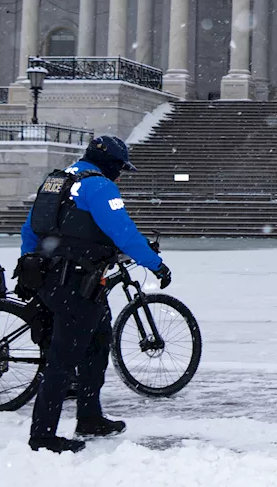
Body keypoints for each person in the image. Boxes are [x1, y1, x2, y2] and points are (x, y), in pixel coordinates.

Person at [17, 135, 170, 454]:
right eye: (120, 169)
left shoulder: (56, 180)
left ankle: (89, 416)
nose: (120, 176)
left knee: (99, 343)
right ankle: (43, 436)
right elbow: (123, 231)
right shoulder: (99, 186)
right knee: (62, 360)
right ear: (111, 164)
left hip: (54, 278)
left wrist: (32, 262)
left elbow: (30, 229)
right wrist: (155, 264)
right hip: (76, 284)